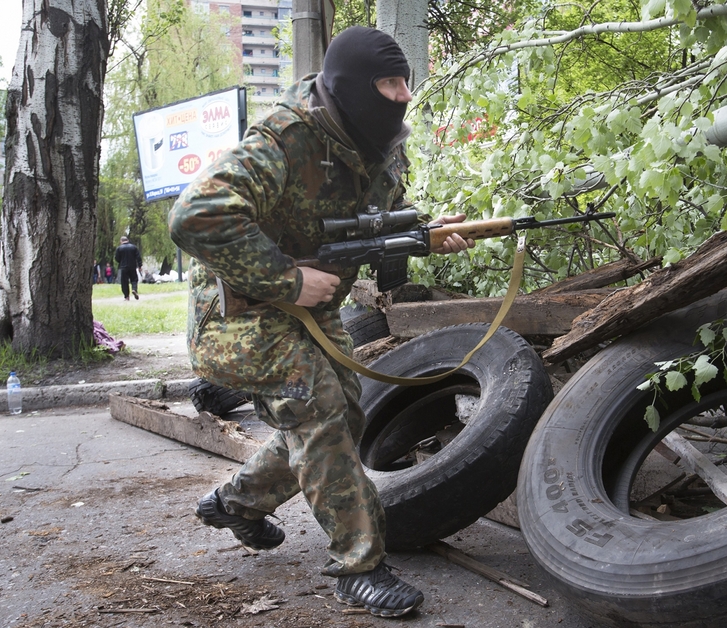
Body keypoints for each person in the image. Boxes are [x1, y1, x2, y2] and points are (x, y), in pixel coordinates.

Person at [168, 26, 473, 619]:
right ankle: (359, 566)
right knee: (319, 402)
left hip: (306, 313)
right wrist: (286, 279)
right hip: (235, 316)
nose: (403, 95)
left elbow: (373, 227)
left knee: (347, 408)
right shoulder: (285, 139)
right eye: (389, 82)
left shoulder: (375, 144)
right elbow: (194, 216)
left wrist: (428, 233)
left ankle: (239, 502)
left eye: (406, 81)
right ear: (352, 86)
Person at [114, 236, 143, 300]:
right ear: (128, 240)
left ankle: (126, 296)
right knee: (134, 279)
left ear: (121, 241)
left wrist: (121, 261)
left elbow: (116, 258)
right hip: (132, 266)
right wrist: (140, 266)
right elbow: (138, 257)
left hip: (124, 267)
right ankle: (134, 289)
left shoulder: (119, 248)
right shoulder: (133, 247)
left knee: (124, 282)